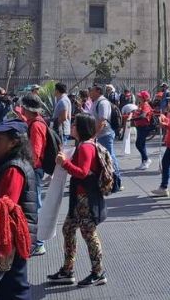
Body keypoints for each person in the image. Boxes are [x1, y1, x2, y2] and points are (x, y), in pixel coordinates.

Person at [47, 113, 108, 288]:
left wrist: (64, 163)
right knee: (68, 229)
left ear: (81, 127)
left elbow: (82, 172)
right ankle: (68, 270)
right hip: (80, 197)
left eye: (74, 124)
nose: (71, 126)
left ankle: (98, 272)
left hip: (85, 198)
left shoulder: (85, 148)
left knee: (89, 234)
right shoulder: (83, 145)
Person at [0, 120, 36, 300]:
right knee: (8, 287)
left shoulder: (13, 169)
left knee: (14, 288)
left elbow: (5, 207)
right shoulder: (13, 163)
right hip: (17, 235)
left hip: (13, 237)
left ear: (14, 142)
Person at [18, 94, 48, 257]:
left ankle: (39, 242)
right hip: (35, 168)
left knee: (35, 205)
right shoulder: (35, 122)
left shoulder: (36, 125)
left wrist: (26, 167)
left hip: (34, 169)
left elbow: (35, 152)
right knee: (34, 204)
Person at [90, 86, 121, 192]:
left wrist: (94, 135)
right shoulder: (95, 102)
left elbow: (102, 121)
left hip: (105, 134)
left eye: (92, 90)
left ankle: (117, 181)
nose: (90, 92)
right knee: (103, 158)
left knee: (110, 157)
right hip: (99, 135)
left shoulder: (103, 103)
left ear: (98, 91)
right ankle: (106, 180)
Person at [129, 91, 155, 170]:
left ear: (144, 98)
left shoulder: (145, 105)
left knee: (139, 144)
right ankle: (144, 161)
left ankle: (146, 159)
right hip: (139, 126)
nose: (138, 97)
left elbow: (143, 116)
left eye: (140, 96)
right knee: (141, 144)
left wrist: (133, 119)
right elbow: (137, 113)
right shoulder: (140, 104)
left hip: (144, 127)